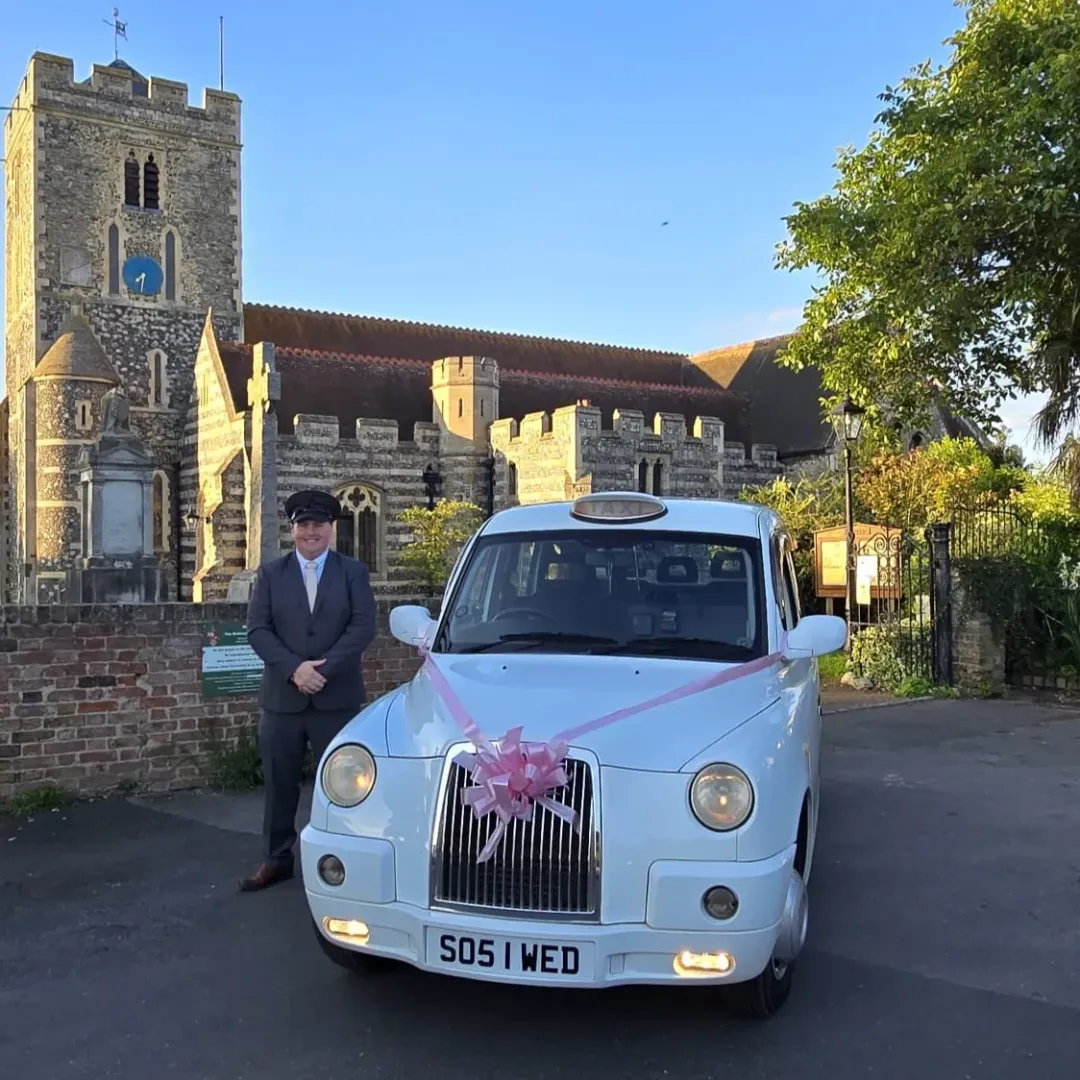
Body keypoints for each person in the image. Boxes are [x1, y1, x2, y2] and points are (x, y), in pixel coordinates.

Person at [238, 488, 376, 891]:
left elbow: (362, 627)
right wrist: (294, 670)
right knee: (279, 786)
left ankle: (345, 862)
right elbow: (257, 630)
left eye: (318, 525)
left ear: (331, 528)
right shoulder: (271, 574)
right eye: (303, 525)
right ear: (292, 529)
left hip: (336, 700)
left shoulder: (353, 572)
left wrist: (322, 671)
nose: (311, 532)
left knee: (345, 786)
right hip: (283, 701)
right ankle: (276, 859)